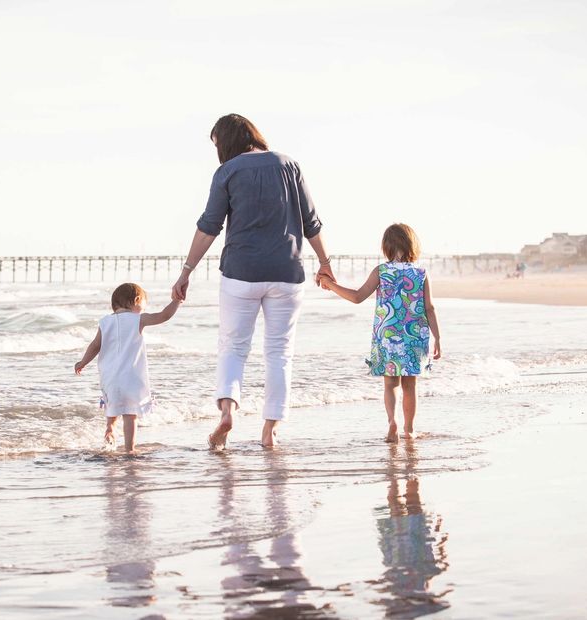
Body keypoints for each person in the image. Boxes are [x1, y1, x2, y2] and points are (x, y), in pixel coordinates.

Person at [171, 113, 334, 449]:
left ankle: (227, 412)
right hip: (287, 274)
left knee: (232, 347)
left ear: (227, 141)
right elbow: (311, 222)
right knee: (279, 352)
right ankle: (269, 430)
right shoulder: (290, 165)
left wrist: (186, 271)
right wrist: (325, 262)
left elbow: (209, 227)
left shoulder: (227, 172)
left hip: (240, 273)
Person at [318, 223, 442, 441]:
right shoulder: (421, 273)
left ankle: (392, 423)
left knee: (390, 383)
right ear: (412, 244)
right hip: (414, 336)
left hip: (387, 335)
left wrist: (331, 284)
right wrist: (438, 337)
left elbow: (357, 297)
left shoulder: (382, 271)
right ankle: (409, 429)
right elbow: (430, 308)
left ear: (386, 246)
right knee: (410, 385)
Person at [74, 283, 181, 452]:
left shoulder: (105, 322)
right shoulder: (138, 319)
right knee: (130, 414)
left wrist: (82, 363)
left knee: (113, 405)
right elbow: (164, 315)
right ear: (137, 301)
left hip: (109, 377)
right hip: (131, 377)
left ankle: (110, 428)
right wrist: (177, 301)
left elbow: (95, 346)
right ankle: (130, 449)